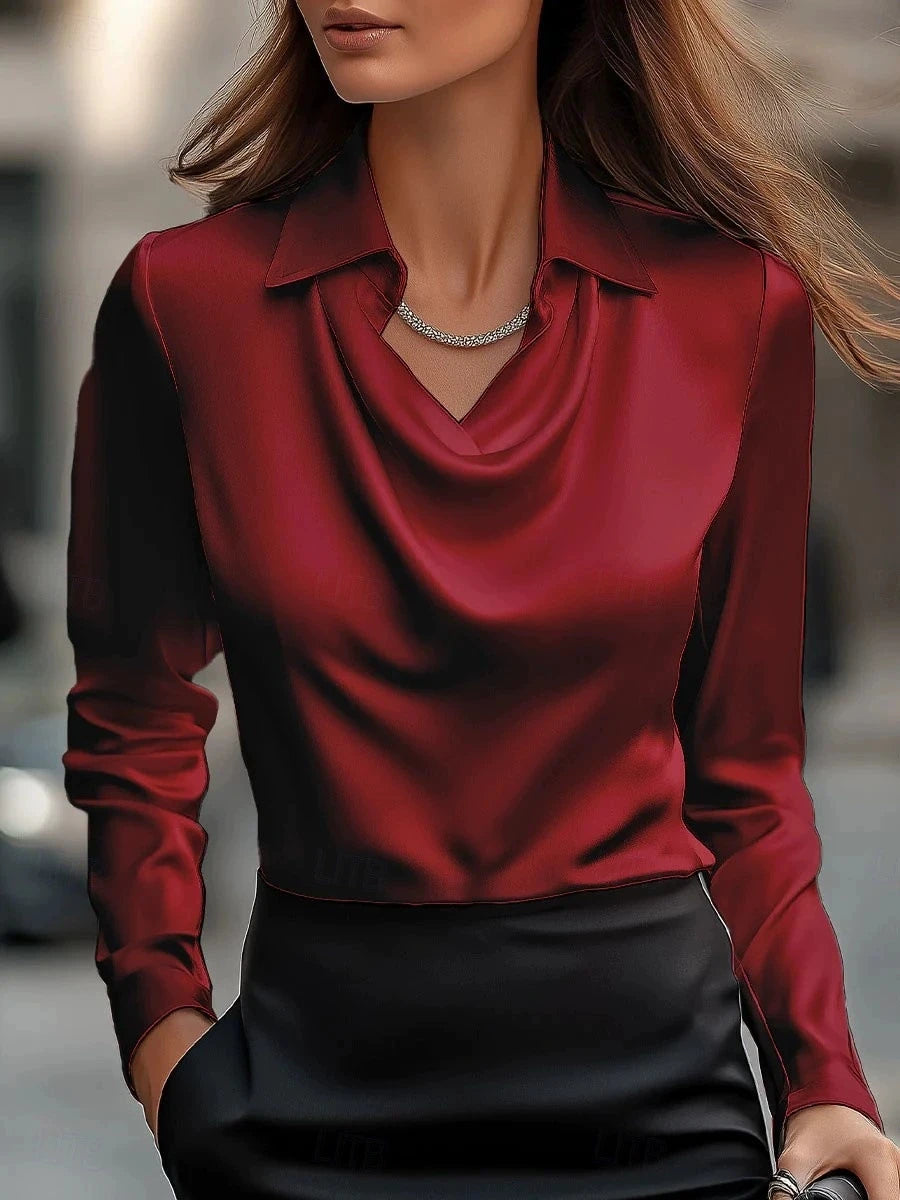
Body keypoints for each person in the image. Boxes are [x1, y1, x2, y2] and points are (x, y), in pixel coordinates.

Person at [62, 2, 900, 1198]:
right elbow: (134, 713)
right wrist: (164, 1038)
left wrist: (824, 1076)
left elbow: (748, 772)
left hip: (660, 1122)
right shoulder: (183, 305)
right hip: (300, 1117)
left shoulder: (733, 310)